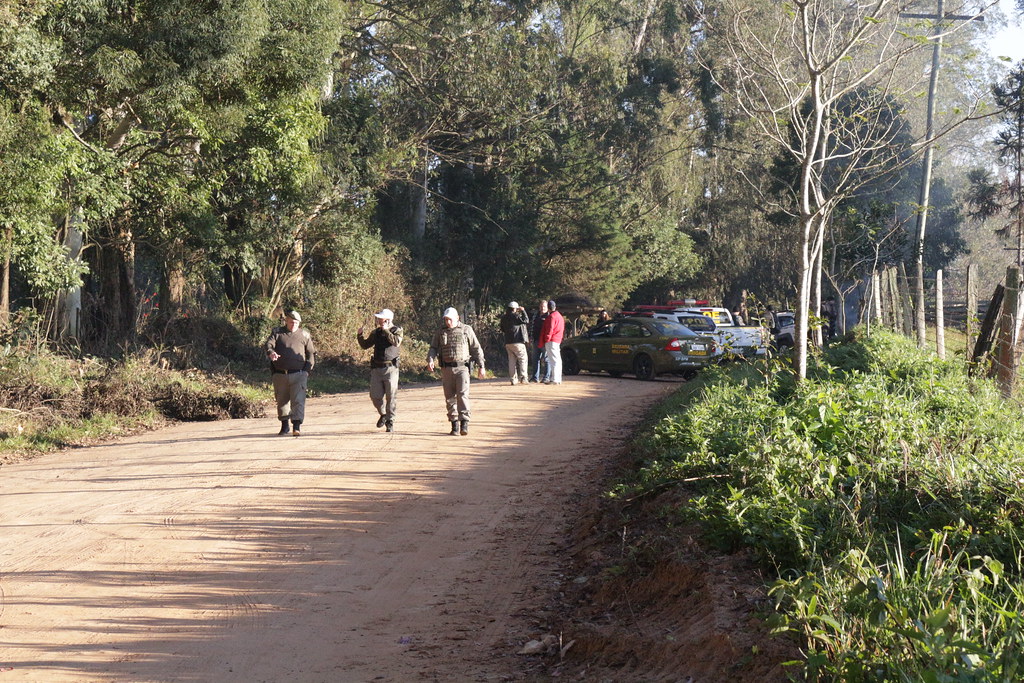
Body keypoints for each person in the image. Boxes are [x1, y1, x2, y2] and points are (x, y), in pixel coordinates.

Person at [427, 307, 486, 436]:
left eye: (450, 319)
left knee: (462, 394)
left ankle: (464, 421)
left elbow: (476, 348)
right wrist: (430, 360)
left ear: (457, 318)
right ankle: (454, 424)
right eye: (446, 320)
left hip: (462, 368)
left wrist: (481, 365)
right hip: (446, 368)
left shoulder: (466, 330)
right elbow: (433, 348)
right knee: (449, 397)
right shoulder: (440, 332)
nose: (448, 322)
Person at [265, 309, 315, 436]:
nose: (294, 325)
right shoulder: (277, 333)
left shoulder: (305, 335)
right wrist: (271, 353)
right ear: (286, 321)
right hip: (280, 373)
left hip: (299, 373)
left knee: (298, 400)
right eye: (291, 322)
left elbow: (311, 353)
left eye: (296, 323)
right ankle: (284, 425)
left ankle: (296, 426)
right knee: (282, 400)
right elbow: (269, 345)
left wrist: (307, 370)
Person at [357, 308, 403, 432]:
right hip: (377, 368)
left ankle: (390, 421)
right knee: (375, 396)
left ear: (387, 320)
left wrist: (386, 330)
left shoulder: (397, 330)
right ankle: (383, 414)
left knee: (391, 396)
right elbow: (365, 345)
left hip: (391, 369)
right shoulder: (376, 332)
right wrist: (360, 335)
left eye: (380, 318)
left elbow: (396, 342)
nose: (378, 320)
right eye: (378, 318)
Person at [499, 301, 530, 385]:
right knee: (523, 359)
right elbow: (526, 320)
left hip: (508, 342)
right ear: (515, 308)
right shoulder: (516, 316)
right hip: (518, 341)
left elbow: (502, 329)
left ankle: (513, 379)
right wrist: (523, 311)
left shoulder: (504, 317)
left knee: (511, 361)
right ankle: (523, 378)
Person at [539, 299, 565, 385]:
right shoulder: (560, 316)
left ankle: (554, 379)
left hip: (551, 340)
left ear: (549, 308)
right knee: (557, 359)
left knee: (553, 360)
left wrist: (546, 339)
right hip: (557, 340)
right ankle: (558, 379)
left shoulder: (551, 317)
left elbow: (550, 329)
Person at [529, 299, 549, 383]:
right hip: (536, 340)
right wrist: (530, 336)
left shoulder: (548, 316)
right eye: (541, 306)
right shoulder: (535, 315)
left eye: (544, 306)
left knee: (546, 359)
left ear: (547, 307)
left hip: (545, 341)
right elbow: (532, 326)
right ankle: (535, 377)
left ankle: (546, 377)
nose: (542, 308)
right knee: (535, 359)